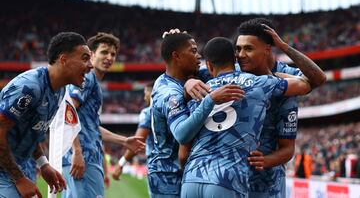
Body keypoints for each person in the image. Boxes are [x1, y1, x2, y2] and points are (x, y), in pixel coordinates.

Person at [184, 18, 326, 198]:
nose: (240, 55)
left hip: (267, 184)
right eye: (238, 49)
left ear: (268, 48)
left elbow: (288, 148)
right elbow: (190, 73)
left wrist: (283, 47)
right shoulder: (233, 70)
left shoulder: (289, 76)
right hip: (230, 178)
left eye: (248, 49)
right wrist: (189, 82)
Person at [148, 31, 244, 198]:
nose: (198, 56)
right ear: (176, 56)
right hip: (168, 176)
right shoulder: (167, 92)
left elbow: (228, 66)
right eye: (193, 51)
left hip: (192, 171)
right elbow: (182, 134)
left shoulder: (193, 75)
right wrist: (210, 100)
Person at [0, 32, 93, 198]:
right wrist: (19, 178)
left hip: (17, 167)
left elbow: (30, 132)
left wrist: (43, 164)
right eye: (85, 58)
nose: (91, 65)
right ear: (63, 59)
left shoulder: (59, 90)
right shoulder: (29, 87)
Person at [61, 32, 145, 198]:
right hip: (82, 159)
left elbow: (90, 126)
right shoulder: (88, 78)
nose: (109, 57)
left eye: (113, 54)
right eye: (104, 52)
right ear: (91, 55)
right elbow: (67, 110)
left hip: (83, 158)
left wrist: (123, 140)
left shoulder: (93, 83)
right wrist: (77, 151)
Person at [112, 81, 154, 181]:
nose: (144, 98)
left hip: (159, 168)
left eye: (145, 94)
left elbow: (138, 141)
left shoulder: (148, 112)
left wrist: (121, 163)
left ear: (152, 93)